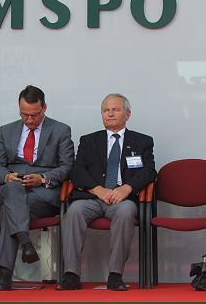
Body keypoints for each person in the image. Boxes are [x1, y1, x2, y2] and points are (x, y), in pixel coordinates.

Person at [57, 93, 156, 291]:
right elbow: (77, 171)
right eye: (106, 110)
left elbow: (149, 171)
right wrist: (98, 189)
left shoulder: (142, 141)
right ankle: (71, 274)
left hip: (122, 199)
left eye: (115, 110)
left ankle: (115, 275)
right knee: (74, 211)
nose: (110, 114)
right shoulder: (89, 140)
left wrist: (126, 188)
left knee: (126, 212)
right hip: (92, 197)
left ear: (127, 114)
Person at [0, 85, 74, 291]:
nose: (29, 120)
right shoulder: (6, 131)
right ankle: (25, 242)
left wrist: (43, 178)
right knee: (13, 191)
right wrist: (7, 176)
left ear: (44, 108)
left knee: (10, 210)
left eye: (34, 115)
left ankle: (4, 272)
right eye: (24, 115)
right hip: (11, 187)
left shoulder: (61, 130)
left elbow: (67, 166)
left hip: (42, 194)